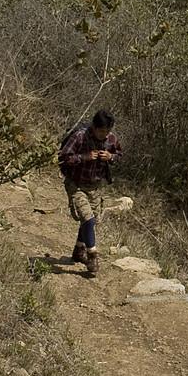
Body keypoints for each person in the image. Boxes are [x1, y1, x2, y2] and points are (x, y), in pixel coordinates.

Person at [58, 108, 121, 277]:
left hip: (95, 187)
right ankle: (92, 254)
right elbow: (63, 157)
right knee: (87, 217)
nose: (104, 135)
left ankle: (79, 249)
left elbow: (119, 155)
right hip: (76, 184)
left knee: (92, 220)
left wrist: (111, 157)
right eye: (101, 131)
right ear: (93, 127)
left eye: (107, 131)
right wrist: (83, 157)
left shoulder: (112, 139)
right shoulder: (80, 136)